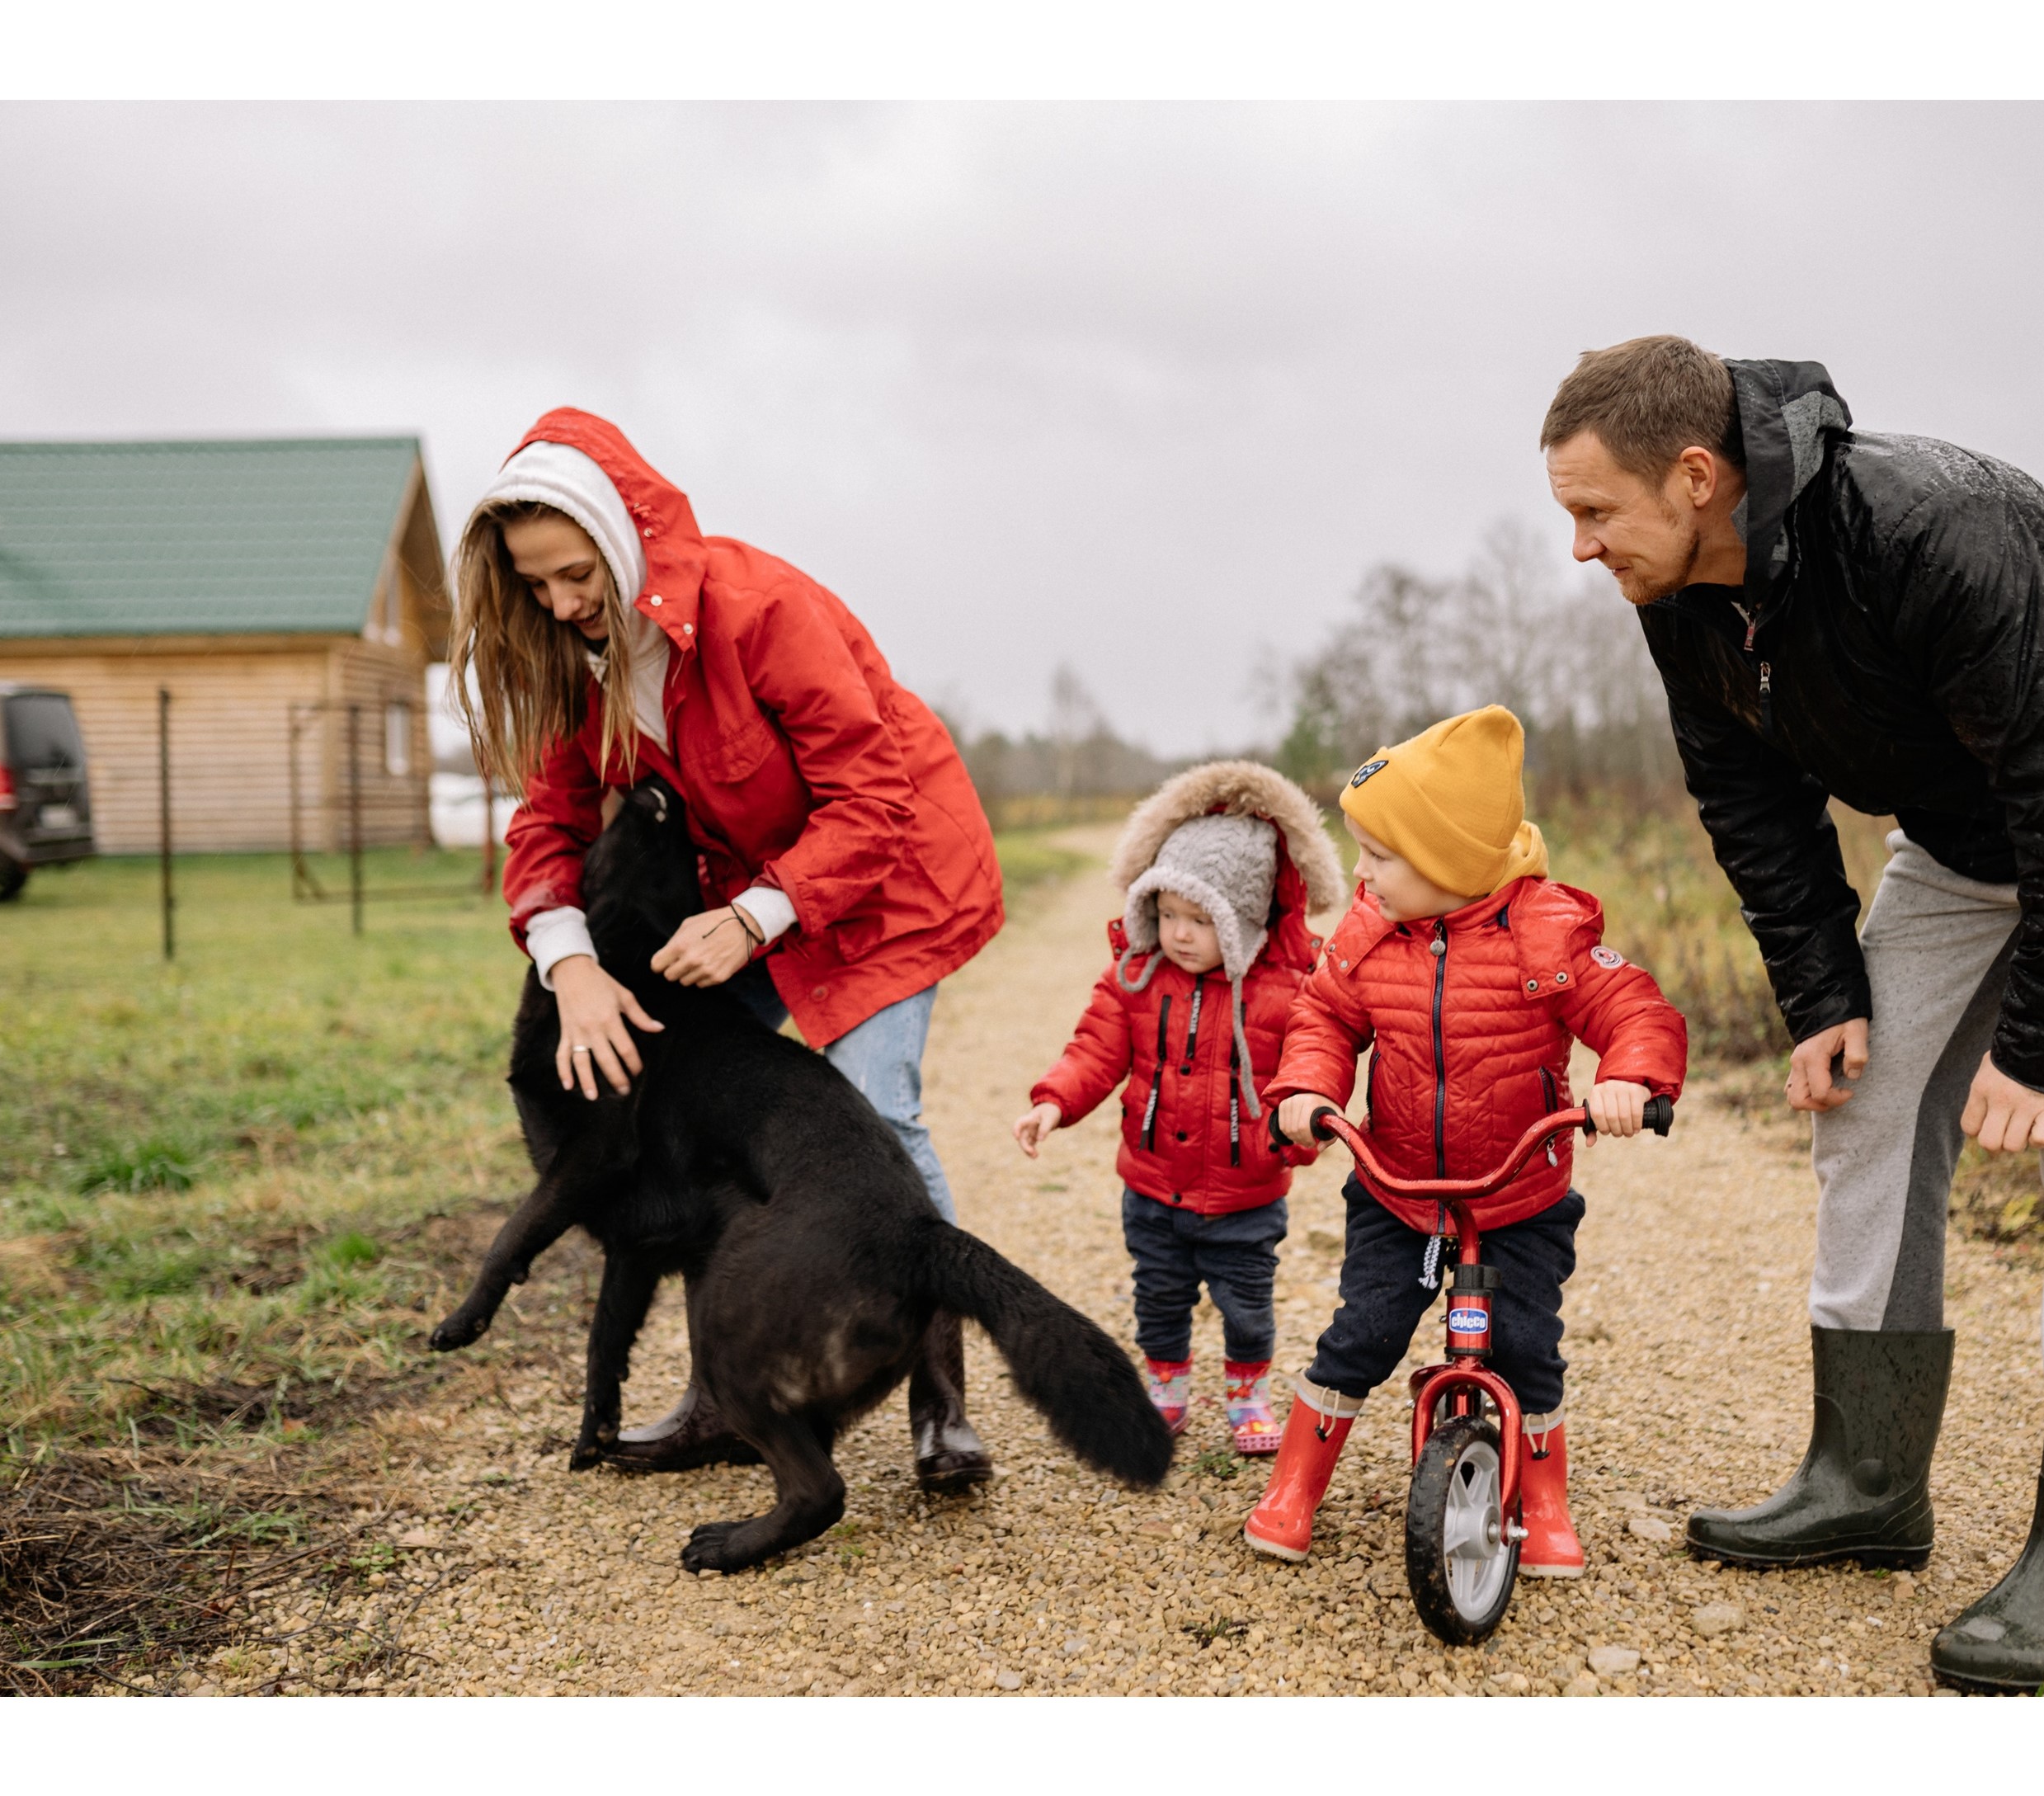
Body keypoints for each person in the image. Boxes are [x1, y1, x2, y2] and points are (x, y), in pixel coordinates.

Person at [1541, 336, 2044, 1689]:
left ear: (1692, 476)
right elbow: (1749, 800)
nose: (1579, 545)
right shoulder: (1675, 593)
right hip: (1964, 830)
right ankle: (1864, 1479)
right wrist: (1820, 992)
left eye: (1593, 510)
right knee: (1862, 1099)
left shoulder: (1926, 526)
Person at [450, 408, 1007, 1492]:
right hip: (741, 894)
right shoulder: (578, 661)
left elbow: (871, 798)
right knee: (685, 1111)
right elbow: (548, 824)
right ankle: (721, 1392)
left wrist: (756, 917)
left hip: (886, 879)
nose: (559, 604)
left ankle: (941, 1397)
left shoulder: (764, 613)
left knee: (875, 1112)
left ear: (621, 541)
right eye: (535, 584)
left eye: (576, 575)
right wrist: (571, 966)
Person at [1248, 705, 1688, 1576]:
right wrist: (1307, 1089)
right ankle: (1293, 1486)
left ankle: (1546, 1502)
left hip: (1519, 1195)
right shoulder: (1369, 936)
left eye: (1380, 856)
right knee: (1365, 1330)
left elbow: (1633, 1007)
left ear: (1447, 858)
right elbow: (1322, 1018)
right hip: (1400, 1189)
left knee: (1525, 1347)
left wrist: (1630, 1077)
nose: (1361, 874)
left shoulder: (1545, 932)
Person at [1015, 762, 1345, 1456]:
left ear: (1246, 920)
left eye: (1201, 919)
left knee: (1247, 1302)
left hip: (1245, 1193)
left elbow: (1307, 1072)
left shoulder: (1286, 991)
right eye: (1167, 914)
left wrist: (1299, 1134)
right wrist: (1054, 1102)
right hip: (1152, 1186)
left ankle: (1247, 1392)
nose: (1180, 934)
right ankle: (1165, 1386)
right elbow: (1093, 1048)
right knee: (1158, 1295)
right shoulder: (1136, 978)